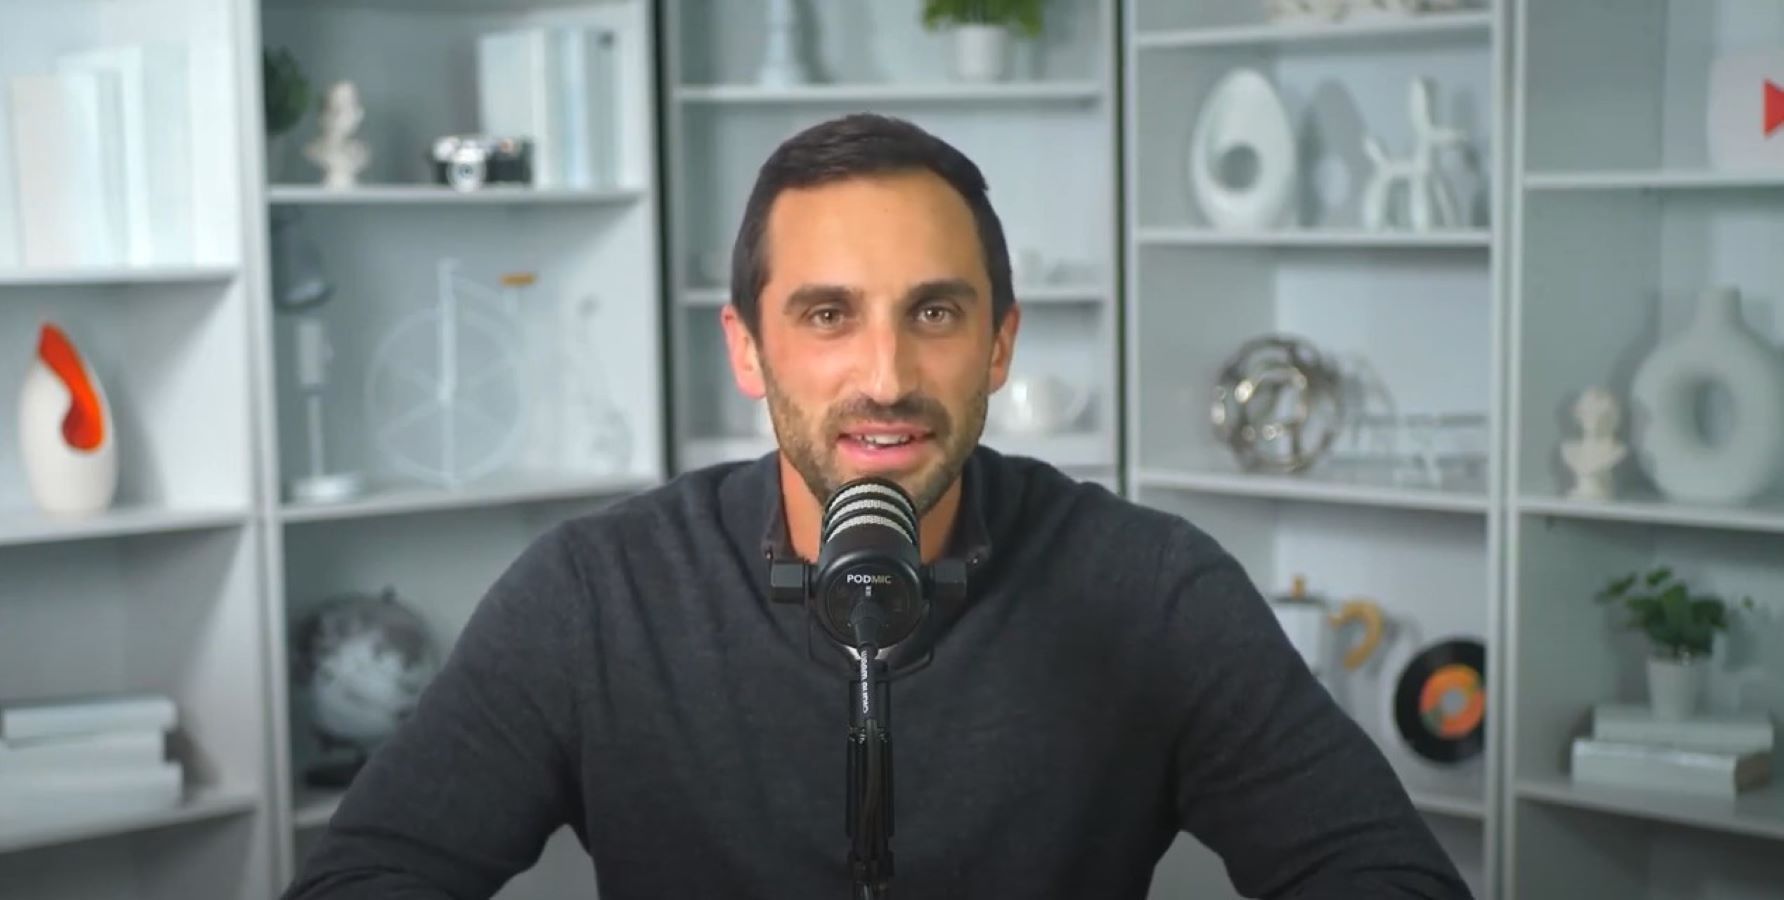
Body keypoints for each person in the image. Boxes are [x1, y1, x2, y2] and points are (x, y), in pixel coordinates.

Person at [282, 113, 1472, 900]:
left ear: (999, 343)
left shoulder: (1153, 589)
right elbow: (368, 876)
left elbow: (1384, 878)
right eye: (826, 315)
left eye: (935, 313)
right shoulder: (597, 594)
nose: (887, 376)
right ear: (746, 349)